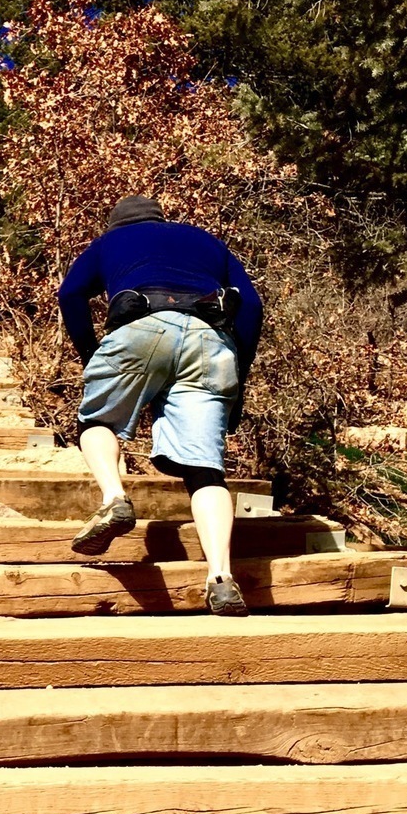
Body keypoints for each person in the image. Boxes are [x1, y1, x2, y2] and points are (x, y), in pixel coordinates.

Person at [58, 195, 264, 617]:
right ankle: (221, 578)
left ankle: (114, 497)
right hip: (211, 340)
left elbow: (71, 293)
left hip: (141, 327)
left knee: (98, 421)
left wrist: (89, 352)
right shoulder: (205, 240)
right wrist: (239, 367)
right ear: (160, 218)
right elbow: (253, 305)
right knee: (205, 469)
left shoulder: (109, 243)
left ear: (117, 225)